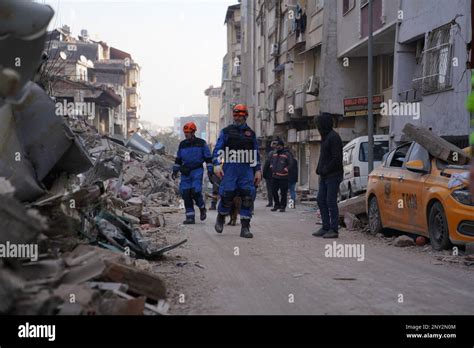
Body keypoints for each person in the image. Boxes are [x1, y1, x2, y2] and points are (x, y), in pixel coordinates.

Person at [213, 104, 262, 238]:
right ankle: (221, 217)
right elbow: (218, 149)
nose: (238, 118)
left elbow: (255, 153)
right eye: (235, 115)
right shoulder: (226, 132)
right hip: (230, 167)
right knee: (227, 195)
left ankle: (245, 228)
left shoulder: (251, 134)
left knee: (247, 196)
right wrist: (217, 164)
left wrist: (257, 170)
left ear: (245, 116)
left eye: (240, 115)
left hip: (246, 169)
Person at [172, 122, 213, 224]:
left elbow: (208, 158)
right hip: (186, 171)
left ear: (193, 132)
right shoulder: (182, 144)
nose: (186, 134)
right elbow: (178, 159)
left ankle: (202, 207)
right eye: (185, 132)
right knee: (186, 193)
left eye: (188, 132)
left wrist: (210, 171)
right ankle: (190, 217)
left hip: (197, 170)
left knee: (195, 191)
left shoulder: (201, 143)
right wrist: (175, 170)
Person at [312, 113, 343, 239]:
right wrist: (319, 169)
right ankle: (325, 227)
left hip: (333, 175)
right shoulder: (325, 137)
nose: (318, 127)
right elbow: (324, 156)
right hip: (325, 176)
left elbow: (337, 158)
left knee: (331, 201)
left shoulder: (334, 137)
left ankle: (333, 229)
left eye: (319, 124)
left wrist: (326, 169)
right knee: (320, 199)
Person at [270, 140, 292, 212]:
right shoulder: (274, 154)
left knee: (283, 193)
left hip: (283, 177)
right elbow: (271, 161)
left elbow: (291, 164)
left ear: (282, 146)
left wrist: (286, 169)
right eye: (277, 146)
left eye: (280, 146)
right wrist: (271, 166)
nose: (278, 147)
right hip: (275, 176)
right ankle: (276, 205)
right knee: (273, 191)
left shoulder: (287, 154)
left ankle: (283, 206)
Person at [263, 140, 278, 207]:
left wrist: (264, 175)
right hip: (276, 176)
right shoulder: (277, 159)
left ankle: (271, 202)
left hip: (269, 177)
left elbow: (265, 168)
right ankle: (276, 202)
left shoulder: (268, 160)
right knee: (275, 189)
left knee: (269, 190)